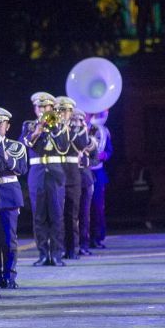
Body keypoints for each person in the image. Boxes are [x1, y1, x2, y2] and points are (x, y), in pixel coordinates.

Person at [22, 92, 68, 267]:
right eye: (39, 107)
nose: (42, 109)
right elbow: (25, 143)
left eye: (45, 107)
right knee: (39, 216)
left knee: (57, 214)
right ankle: (42, 254)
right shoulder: (29, 125)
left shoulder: (59, 126)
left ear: (51, 108)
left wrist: (54, 127)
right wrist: (38, 130)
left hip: (55, 173)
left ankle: (56, 254)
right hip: (37, 172)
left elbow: (64, 147)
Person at [0, 107, 28, 288]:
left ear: (7, 126)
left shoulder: (16, 146)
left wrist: (5, 156)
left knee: (8, 239)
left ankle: (9, 276)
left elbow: (21, 169)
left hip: (8, 194)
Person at [55, 96, 91, 261]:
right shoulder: (55, 128)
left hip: (73, 176)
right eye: (61, 110)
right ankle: (59, 248)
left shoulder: (76, 130)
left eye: (67, 111)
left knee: (72, 214)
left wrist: (72, 128)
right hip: (57, 175)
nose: (64, 113)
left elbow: (82, 145)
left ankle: (72, 248)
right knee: (58, 215)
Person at [72, 109, 97, 257]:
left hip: (85, 180)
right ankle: (71, 246)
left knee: (84, 215)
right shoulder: (68, 135)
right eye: (75, 119)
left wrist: (85, 160)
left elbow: (96, 159)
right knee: (70, 215)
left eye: (80, 120)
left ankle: (84, 245)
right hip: (69, 178)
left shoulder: (90, 139)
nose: (78, 123)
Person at [87, 110, 112, 248]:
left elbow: (109, 150)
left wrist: (104, 156)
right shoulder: (81, 128)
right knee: (82, 208)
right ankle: (82, 238)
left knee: (97, 206)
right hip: (82, 171)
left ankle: (97, 237)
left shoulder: (104, 131)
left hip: (97, 172)